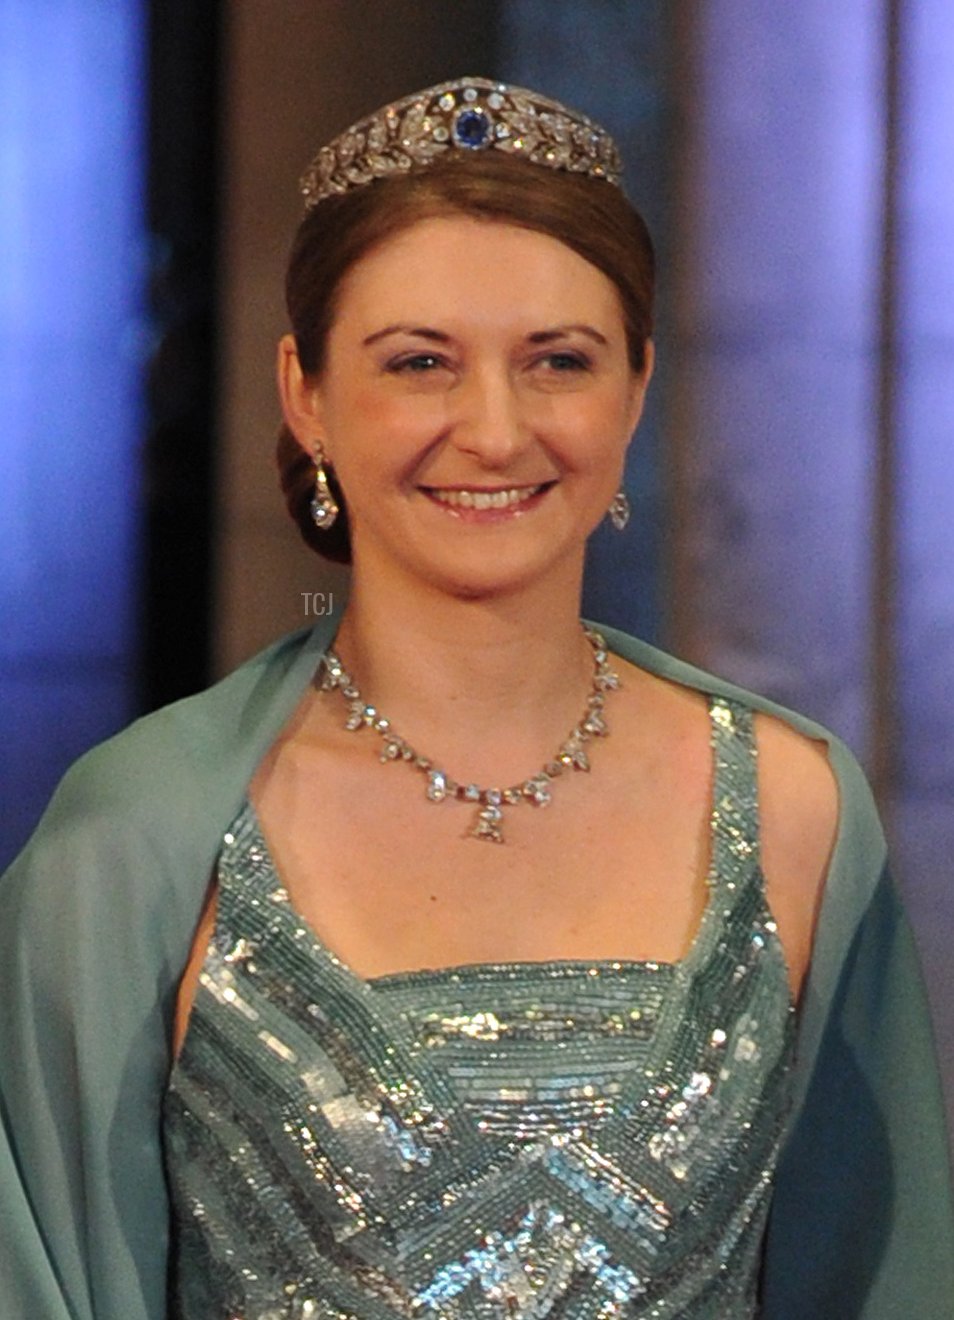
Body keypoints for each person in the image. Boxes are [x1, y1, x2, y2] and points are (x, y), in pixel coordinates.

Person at [0, 77, 951, 1320]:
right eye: (420, 363)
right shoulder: (137, 833)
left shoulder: (796, 805)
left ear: (635, 389)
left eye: (558, 360)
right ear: (308, 394)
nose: (494, 431)